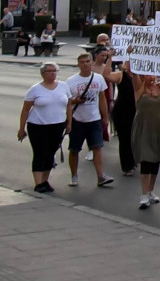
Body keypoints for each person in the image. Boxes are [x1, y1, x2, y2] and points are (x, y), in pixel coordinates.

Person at [17, 62, 70, 193]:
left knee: (51, 153)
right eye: (49, 71)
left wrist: (69, 123)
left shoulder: (63, 86)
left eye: (55, 71)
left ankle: (45, 181)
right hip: (38, 126)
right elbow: (25, 110)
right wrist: (21, 128)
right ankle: (38, 183)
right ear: (42, 74)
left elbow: (69, 105)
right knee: (40, 152)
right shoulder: (35, 89)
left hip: (57, 125)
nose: (53, 73)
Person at [64, 52, 114, 188]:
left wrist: (105, 117)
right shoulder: (71, 81)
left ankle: (100, 176)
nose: (85, 64)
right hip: (77, 119)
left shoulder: (98, 78)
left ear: (91, 62)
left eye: (87, 61)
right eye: (82, 62)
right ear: (78, 64)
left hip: (94, 119)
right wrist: (76, 101)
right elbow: (67, 102)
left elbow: (102, 98)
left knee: (97, 147)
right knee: (74, 149)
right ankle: (74, 176)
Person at [131, 72, 160, 209]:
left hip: (159, 131)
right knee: (146, 160)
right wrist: (130, 54)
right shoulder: (139, 89)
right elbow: (134, 74)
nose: (151, 78)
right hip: (144, 130)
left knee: (156, 160)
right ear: (142, 76)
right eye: (147, 75)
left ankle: (150, 191)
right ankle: (144, 195)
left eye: (153, 75)